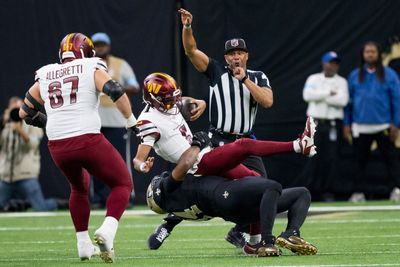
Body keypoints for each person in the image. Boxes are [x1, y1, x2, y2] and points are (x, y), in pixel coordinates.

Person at [133, 72, 316, 249]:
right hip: (197, 164)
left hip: (205, 154)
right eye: (168, 99)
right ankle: (299, 145)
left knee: (257, 182)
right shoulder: (148, 121)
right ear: (154, 100)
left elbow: (182, 103)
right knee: (244, 145)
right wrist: (142, 165)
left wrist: (201, 102)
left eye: (174, 97)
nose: (173, 102)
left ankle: (254, 241)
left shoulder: (167, 103)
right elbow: (138, 159)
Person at [19, 33, 137, 263]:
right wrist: (132, 122)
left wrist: (51, 121)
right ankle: (108, 231)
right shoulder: (90, 66)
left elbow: (25, 112)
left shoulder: (46, 73)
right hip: (87, 138)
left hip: (58, 145)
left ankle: (83, 244)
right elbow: (115, 91)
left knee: (79, 188)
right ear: (87, 51)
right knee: (122, 183)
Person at [145, 144, 318, 257]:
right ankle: (266, 242)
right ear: (159, 192)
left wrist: (163, 229)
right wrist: (198, 143)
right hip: (223, 194)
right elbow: (186, 163)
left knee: (300, 194)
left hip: (233, 209)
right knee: (270, 186)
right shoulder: (170, 190)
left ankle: (291, 233)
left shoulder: (175, 210)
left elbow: (153, 242)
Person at [344, 41, 400, 202]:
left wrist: (396, 123)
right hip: (360, 126)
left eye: (373, 51)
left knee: (391, 160)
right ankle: (358, 192)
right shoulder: (355, 75)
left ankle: (396, 189)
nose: (370, 54)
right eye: (367, 51)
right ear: (363, 54)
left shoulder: (389, 74)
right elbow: (348, 102)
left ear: (378, 54)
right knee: (358, 162)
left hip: (384, 125)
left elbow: (397, 100)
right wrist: (347, 123)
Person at [90, 32, 140, 208]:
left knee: (119, 160)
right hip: (94, 121)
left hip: (117, 120)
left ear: (108, 46)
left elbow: (135, 85)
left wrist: (116, 87)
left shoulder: (120, 64)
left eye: (102, 44)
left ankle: (125, 195)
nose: (99, 47)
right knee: (95, 161)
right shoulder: (87, 66)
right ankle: (97, 198)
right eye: (96, 44)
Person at [303, 51, 349, 200]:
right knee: (312, 157)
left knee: (331, 159)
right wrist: (329, 93)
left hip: (332, 124)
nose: (332, 66)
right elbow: (307, 96)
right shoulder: (314, 78)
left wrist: (320, 96)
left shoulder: (341, 81)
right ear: (324, 63)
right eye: (329, 62)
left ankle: (328, 191)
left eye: (335, 63)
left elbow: (342, 101)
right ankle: (310, 191)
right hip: (314, 123)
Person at [0, 97, 57, 211]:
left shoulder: (31, 122)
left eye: (19, 109)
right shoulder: (5, 124)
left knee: (41, 208)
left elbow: (32, 145)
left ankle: (56, 203)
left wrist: (20, 131)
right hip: (6, 176)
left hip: (26, 174)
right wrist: (3, 122)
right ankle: (20, 204)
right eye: (13, 110)